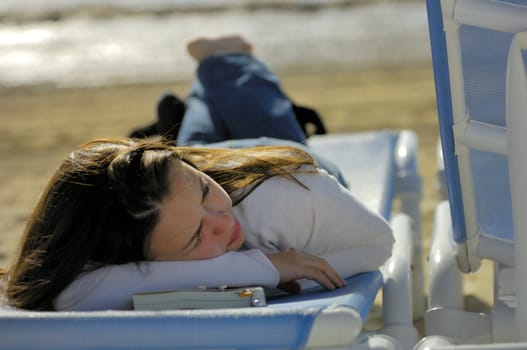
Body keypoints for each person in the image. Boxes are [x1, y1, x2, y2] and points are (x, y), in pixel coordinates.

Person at [1, 36, 394, 311]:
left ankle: (224, 58)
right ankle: (192, 114)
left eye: (206, 195)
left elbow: (379, 243)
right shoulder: (162, 207)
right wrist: (264, 268)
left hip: (267, 166)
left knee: (262, 117)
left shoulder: (289, 198)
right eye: (195, 237)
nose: (223, 223)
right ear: (135, 259)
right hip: (191, 170)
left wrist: (221, 254)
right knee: (194, 157)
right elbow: (73, 295)